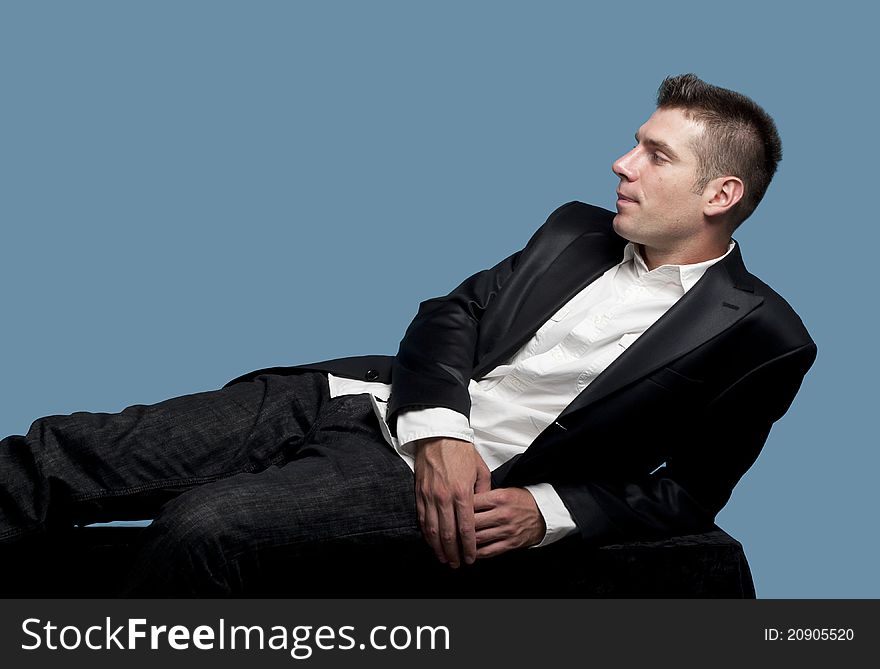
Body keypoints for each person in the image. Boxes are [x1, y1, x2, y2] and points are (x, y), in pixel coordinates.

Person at [0, 74, 816, 596]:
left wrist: (544, 509)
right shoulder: (575, 229)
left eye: (653, 154)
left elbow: (690, 491)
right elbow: (450, 313)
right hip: (359, 400)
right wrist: (444, 427)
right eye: (634, 142)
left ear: (721, 193)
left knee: (204, 527)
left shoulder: (766, 335)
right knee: (67, 448)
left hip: (427, 489)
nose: (620, 163)